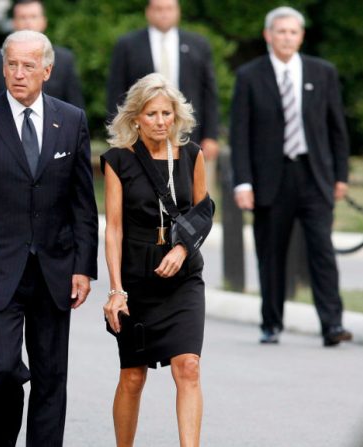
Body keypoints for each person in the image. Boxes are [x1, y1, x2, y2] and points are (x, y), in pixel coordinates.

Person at [0, 30, 98, 446]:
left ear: (47, 70)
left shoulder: (71, 120)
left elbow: (83, 203)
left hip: (54, 269)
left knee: (51, 375)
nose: (18, 73)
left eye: (28, 65)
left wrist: (84, 268)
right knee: (5, 368)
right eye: (11, 64)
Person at [230, 6, 352, 347]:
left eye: (293, 32)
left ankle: (332, 323)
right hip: (271, 177)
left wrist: (340, 175)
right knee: (271, 253)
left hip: (314, 175)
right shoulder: (250, 76)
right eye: (280, 32)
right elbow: (240, 134)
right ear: (269, 35)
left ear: (301, 36)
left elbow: (335, 128)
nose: (287, 37)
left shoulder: (322, 72)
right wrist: (243, 182)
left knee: (322, 251)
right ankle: (271, 322)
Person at [101, 73, 210, 446]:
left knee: (189, 367)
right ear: (136, 118)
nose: (161, 121)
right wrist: (116, 290)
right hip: (138, 280)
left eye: (167, 113)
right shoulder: (118, 161)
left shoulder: (193, 155)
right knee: (133, 376)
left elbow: (203, 211)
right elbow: (113, 229)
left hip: (183, 279)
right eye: (151, 114)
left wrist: (182, 250)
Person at [105, 0, 218, 161]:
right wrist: (119, 133)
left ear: (178, 11)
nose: (164, 13)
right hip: (141, 136)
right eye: (158, 9)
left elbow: (209, 93)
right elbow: (116, 91)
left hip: (190, 133)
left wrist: (211, 135)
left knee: (192, 184)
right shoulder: (127, 46)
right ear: (148, 12)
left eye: (169, 8)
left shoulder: (198, 44)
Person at [0, 0, 85, 109]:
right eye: (22, 17)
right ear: (14, 22)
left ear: (43, 21)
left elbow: (75, 105)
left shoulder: (64, 59)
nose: (28, 22)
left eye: (33, 17)